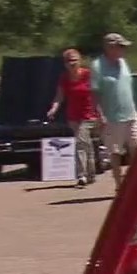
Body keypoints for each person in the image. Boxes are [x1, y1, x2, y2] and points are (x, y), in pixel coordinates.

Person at [90, 32, 137, 190]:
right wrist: (100, 115)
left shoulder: (123, 62)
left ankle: (136, 181)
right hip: (112, 117)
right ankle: (119, 185)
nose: (123, 50)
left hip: (131, 113)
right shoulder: (98, 66)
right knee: (115, 152)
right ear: (110, 47)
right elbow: (94, 93)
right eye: (121, 47)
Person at [46, 48, 100, 187]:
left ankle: (82, 175)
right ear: (65, 63)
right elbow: (59, 96)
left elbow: (96, 94)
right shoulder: (64, 78)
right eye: (69, 61)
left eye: (75, 60)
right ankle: (91, 174)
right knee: (85, 144)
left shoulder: (88, 75)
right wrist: (53, 109)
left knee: (81, 143)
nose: (72, 63)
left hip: (88, 114)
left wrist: (100, 112)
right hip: (73, 116)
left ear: (80, 61)